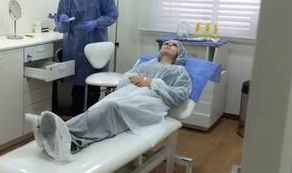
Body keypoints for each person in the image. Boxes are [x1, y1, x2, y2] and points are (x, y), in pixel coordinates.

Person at [26, 40, 192, 162]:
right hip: (129, 94)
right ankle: (64, 137)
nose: (168, 45)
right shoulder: (146, 64)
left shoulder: (179, 72)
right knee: (101, 106)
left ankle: (59, 131)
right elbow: (126, 77)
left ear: (179, 54)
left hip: (151, 103)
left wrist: (153, 83)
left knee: (111, 106)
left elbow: (181, 94)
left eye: (174, 45)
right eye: (166, 43)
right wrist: (135, 78)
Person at [54, 0, 119, 116]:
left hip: (96, 47)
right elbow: (62, 28)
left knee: (94, 85)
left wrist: (97, 22)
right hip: (75, 48)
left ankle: (92, 118)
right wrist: (62, 23)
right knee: (77, 86)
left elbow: (113, 14)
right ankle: (77, 119)